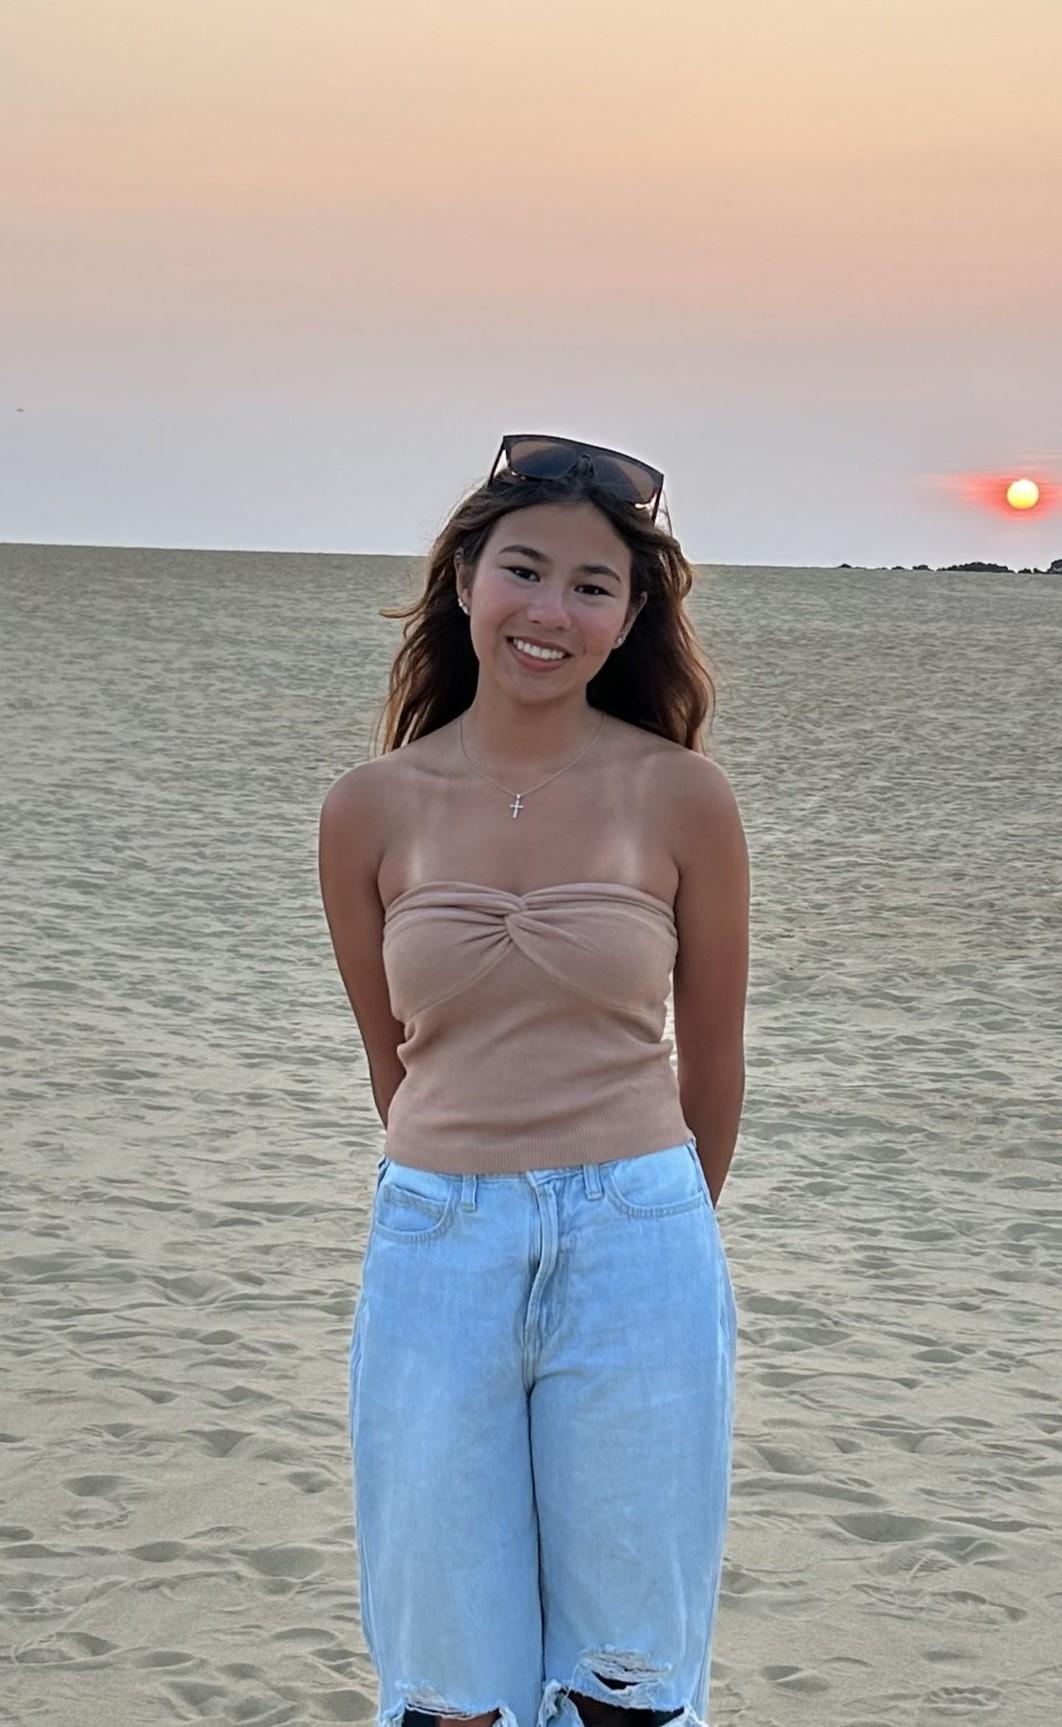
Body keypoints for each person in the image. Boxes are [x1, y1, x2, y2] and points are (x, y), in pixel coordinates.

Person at [318, 433, 750, 1727]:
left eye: (591, 586)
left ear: (628, 620)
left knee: (627, 1671)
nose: (548, 611)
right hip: (435, 1243)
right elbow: (391, 1058)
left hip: (641, 1240)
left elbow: (712, 1055)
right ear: (463, 579)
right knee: (449, 1676)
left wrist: (653, 1222)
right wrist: (475, 1185)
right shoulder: (370, 806)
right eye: (523, 570)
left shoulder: (679, 795)